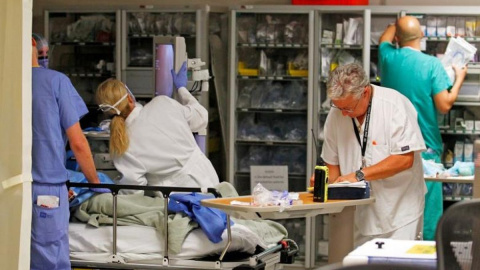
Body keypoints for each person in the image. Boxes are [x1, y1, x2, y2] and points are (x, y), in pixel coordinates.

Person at [378, 16, 468, 240]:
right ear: (423, 36)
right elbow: (445, 104)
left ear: (397, 38)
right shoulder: (432, 65)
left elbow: (384, 38)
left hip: (392, 150)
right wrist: (459, 79)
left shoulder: (387, 57)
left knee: (397, 209)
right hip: (424, 149)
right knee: (428, 215)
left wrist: (395, 25)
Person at [321, 63, 427, 246]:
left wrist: (359, 175)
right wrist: (324, 181)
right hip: (362, 213)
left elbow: (404, 160)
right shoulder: (336, 114)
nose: (344, 114)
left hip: (401, 212)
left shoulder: (394, 105)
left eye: (348, 108)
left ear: (365, 93)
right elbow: (332, 164)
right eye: (339, 108)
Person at [31, 33, 104, 270]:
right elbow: (79, 143)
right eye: (40, 54)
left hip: (12, 188)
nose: (44, 59)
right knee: (50, 260)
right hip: (46, 188)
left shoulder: (7, 82)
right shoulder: (56, 81)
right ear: (31, 45)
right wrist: (94, 182)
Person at [95, 62, 219, 191]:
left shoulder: (121, 144)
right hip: (208, 181)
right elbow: (201, 117)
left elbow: (133, 189)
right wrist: (182, 89)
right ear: (130, 98)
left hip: (176, 198)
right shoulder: (163, 103)